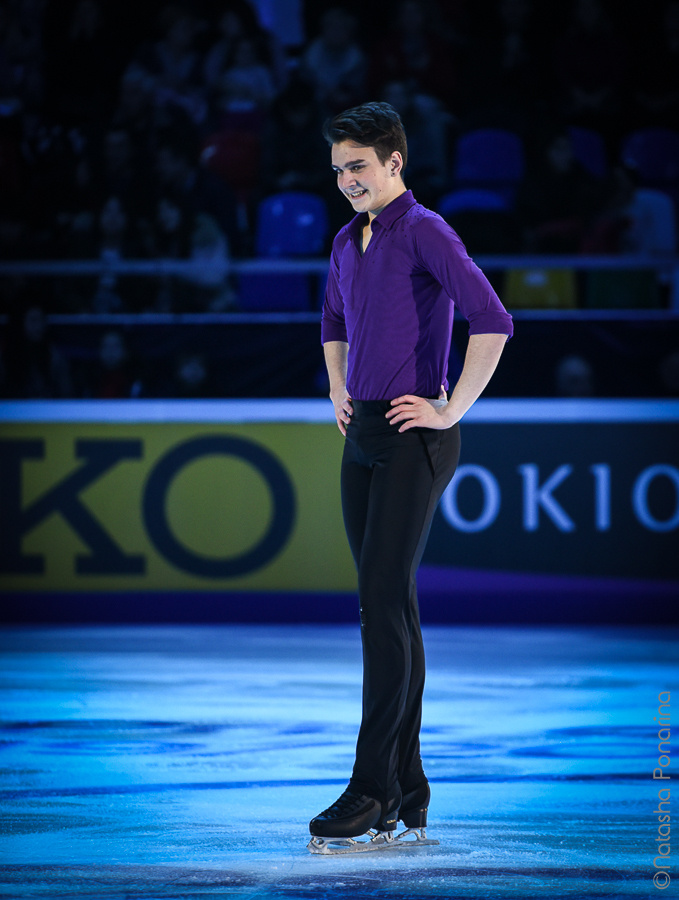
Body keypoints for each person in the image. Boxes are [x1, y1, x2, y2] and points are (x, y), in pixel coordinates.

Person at [309, 102, 513, 853]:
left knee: (381, 601)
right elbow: (333, 322)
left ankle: (370, 788)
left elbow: (491, 319)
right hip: (360, 432)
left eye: (358, 166)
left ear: (395, 161)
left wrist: (450, 407)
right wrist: (335, 387)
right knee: (388, 607)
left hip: (409, 435)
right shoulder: (343, 239)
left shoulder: (425, 230)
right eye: (337, 170)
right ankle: (408, 792)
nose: (347, 182)